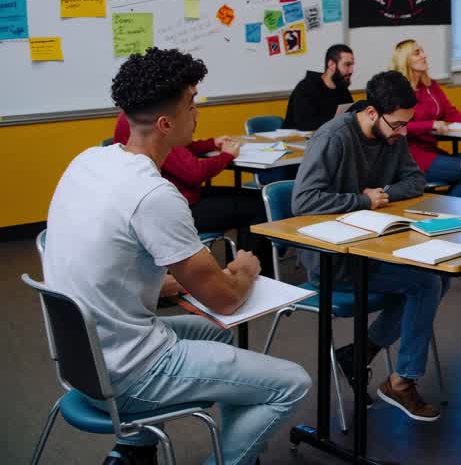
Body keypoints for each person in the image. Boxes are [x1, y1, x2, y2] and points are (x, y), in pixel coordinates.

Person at [46, 48, 309, 465]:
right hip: (131, 373)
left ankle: (135, 451)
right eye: (192, 104)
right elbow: (226, 299)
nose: (197, 113)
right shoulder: (154, 194)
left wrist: (161, 284)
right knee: (292, 382)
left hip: (83, 361)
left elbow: (106, 262)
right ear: (166, 124)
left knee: (216, 334)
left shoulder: (88, 162)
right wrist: (245, 269)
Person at [291, 70, 449, 423]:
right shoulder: (333, 138)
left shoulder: (393, 134)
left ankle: (359, 353)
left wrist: (384, 195)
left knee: (439, 276)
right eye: (397, 125)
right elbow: (303, 201)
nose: (403, 133)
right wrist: (362, 201)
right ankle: (402, 382)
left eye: (406, 124)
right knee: (426, 283)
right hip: (333, 258)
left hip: (374, 247)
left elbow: (415, 180)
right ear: (372, 112)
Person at [111, 112, 272, 274]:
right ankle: (254, 275)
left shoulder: (133, 116)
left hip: (169, 201)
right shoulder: (154, 118)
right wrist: (227, 156)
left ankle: (241, 270)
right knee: (260, 206)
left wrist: (210, 144)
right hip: (178, 208)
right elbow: (195, 173)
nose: (194, 114)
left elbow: (178, 149)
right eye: (190, 106)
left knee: (253, 199)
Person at [391, 39, 461, 196]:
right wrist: (431, 124)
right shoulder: (397, 89)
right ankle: (452, 205)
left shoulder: (430, 85)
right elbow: (396, 125)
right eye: (417, 53)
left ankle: (449, 203)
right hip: (412, 157)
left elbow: (449, 113)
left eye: (422, 51)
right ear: (405, 60)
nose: (424, 55)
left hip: (432, 151)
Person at [283, 43, 355, 131]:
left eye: (352, 65)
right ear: (331, 65)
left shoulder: (342, 89)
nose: (351, 71)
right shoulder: (305, 87)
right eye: (347, 65)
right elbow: (305, 124)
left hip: (330, 136)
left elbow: (351, 115)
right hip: (296, 138)